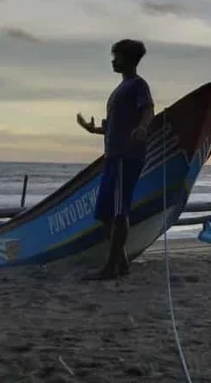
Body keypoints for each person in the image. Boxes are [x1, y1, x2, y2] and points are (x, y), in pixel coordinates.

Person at [76, 39, 154, 279]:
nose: (113, 61)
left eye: (117, 56)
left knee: (119, 211)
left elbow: (148, 109)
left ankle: (112, 267)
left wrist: (142, 127)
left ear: (129, 60)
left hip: (126, 155)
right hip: (112, 156)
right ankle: (122, 262)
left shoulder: (138, 85)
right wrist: (93, 130)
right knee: (103, 212)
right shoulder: (119, 90)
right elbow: (115, 127)